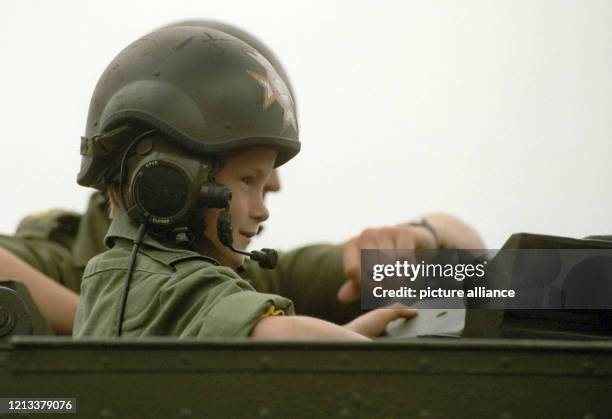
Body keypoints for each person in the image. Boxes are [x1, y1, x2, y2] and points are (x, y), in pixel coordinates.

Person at [0, 22, 484, 336]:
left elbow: (500, 278)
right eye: (248, 178)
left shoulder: (238, 272)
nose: (272, 191)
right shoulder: (62, 260)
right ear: (170, 181)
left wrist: (423, 235)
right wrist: (125, 318)